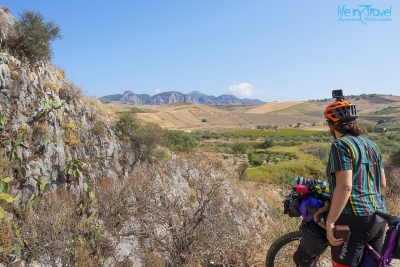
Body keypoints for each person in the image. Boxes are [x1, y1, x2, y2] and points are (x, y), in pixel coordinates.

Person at [324, 96, 387, 267]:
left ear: (332, 126)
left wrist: (330, 222)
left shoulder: (340, 145)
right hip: (379, 217)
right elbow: (382, 184)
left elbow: (345, 187)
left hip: (355, 219)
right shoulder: (372, 145)